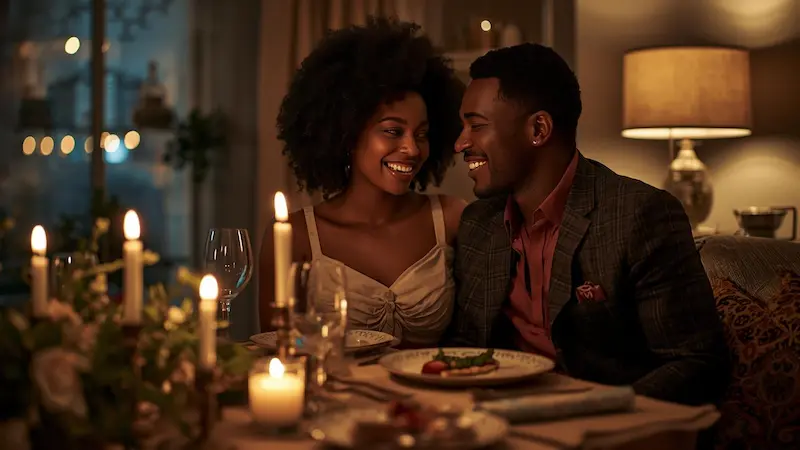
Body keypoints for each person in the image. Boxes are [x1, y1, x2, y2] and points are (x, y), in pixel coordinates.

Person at [445, 43, 730, 407]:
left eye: (477, 126)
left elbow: (697, 364)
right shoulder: (478, 224)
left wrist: (585, 413)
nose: (460, 143)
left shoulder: (639, 215)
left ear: (539, 129)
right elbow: (468, 347)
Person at [258, 17, 466, 347]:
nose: (412, 149)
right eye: (393, 131)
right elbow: (279, 355)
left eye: (422, 134)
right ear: (347, 132)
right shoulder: (293, 236)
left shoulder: (452, 219)